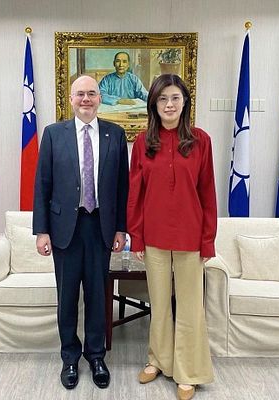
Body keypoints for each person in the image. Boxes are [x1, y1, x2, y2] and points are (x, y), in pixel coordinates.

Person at [33, 75, 129, 390]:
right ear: (71, 99)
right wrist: (42, 231)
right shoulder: (53, 134)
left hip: (101, 226)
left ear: (100, 98)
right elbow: (42, 185)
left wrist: (121, 228)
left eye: (91, 93)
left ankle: (96, 356)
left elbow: (122, 187)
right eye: (80, 94)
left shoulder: (115, 134)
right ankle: (70, 358)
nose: (86, 99)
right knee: (68, 297)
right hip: (65, 229)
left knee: (98, 296)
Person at [127, 74, 217, 400]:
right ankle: (158, 360)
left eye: (175, 98)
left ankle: (188, 371)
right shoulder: (142, 143)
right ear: (153, 104)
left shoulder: (201, 140)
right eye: (162, 98)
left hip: (191, 238)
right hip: (153, 237)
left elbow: (208, 193)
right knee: (160, 303)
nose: (169, 104)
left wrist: (208, 240)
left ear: (184, 102)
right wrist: (136, 237)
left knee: (190, 307)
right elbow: (135, 195)